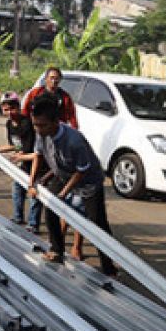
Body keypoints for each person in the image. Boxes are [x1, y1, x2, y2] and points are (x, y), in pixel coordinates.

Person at [27, 94, 117, 276]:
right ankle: (57, 251)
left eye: (42, 125)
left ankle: (109, 267)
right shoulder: (41, 134)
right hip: (63, 174)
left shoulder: (74, 141)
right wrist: (36, 181)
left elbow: (81, 171)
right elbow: (45, 157)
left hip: (87, 181)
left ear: (55, 122)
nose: (38, 129)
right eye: (35, 124)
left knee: (97, 224)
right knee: (50, 209)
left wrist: (64, 194)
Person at [0, 93, 42, 232]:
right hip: (22, 163)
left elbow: (30, 150)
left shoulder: (26, 123)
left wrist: (18, 157)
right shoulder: (9, 124)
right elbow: (16, 145)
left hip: (36, 163)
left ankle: (33, 224)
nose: (9, 113)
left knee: (34, 193)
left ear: (18, 107)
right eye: (6, 109)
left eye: (12, 109)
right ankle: (18, 217)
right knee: (17, 190)